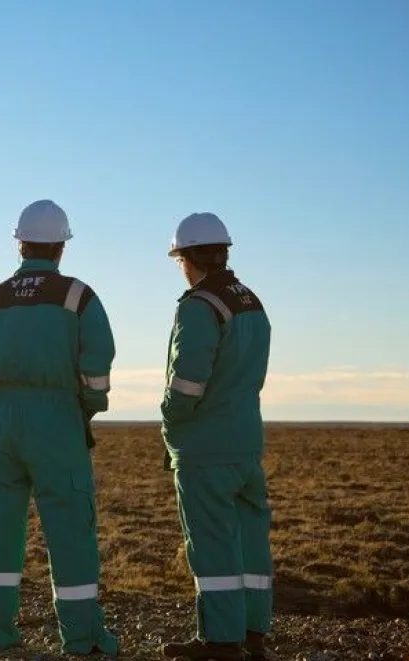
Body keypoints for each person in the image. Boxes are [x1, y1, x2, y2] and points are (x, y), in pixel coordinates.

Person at [0, 199, 119, 657]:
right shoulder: (78, 297)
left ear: (19, 243)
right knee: (69, 527)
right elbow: (97, 363)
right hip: (57, 418)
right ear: (60, 248)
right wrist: (87, 406)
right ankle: (82, 638)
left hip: (2, 422)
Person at [158, 212, 276, 661]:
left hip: (204, 445)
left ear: (187, 257)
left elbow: (188, 380)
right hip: (245, 440)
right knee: (250, 541)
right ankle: (253, 633)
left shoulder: (199, 305)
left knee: (211, 543)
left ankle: (220, 640)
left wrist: (170, 418)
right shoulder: (250, 302)